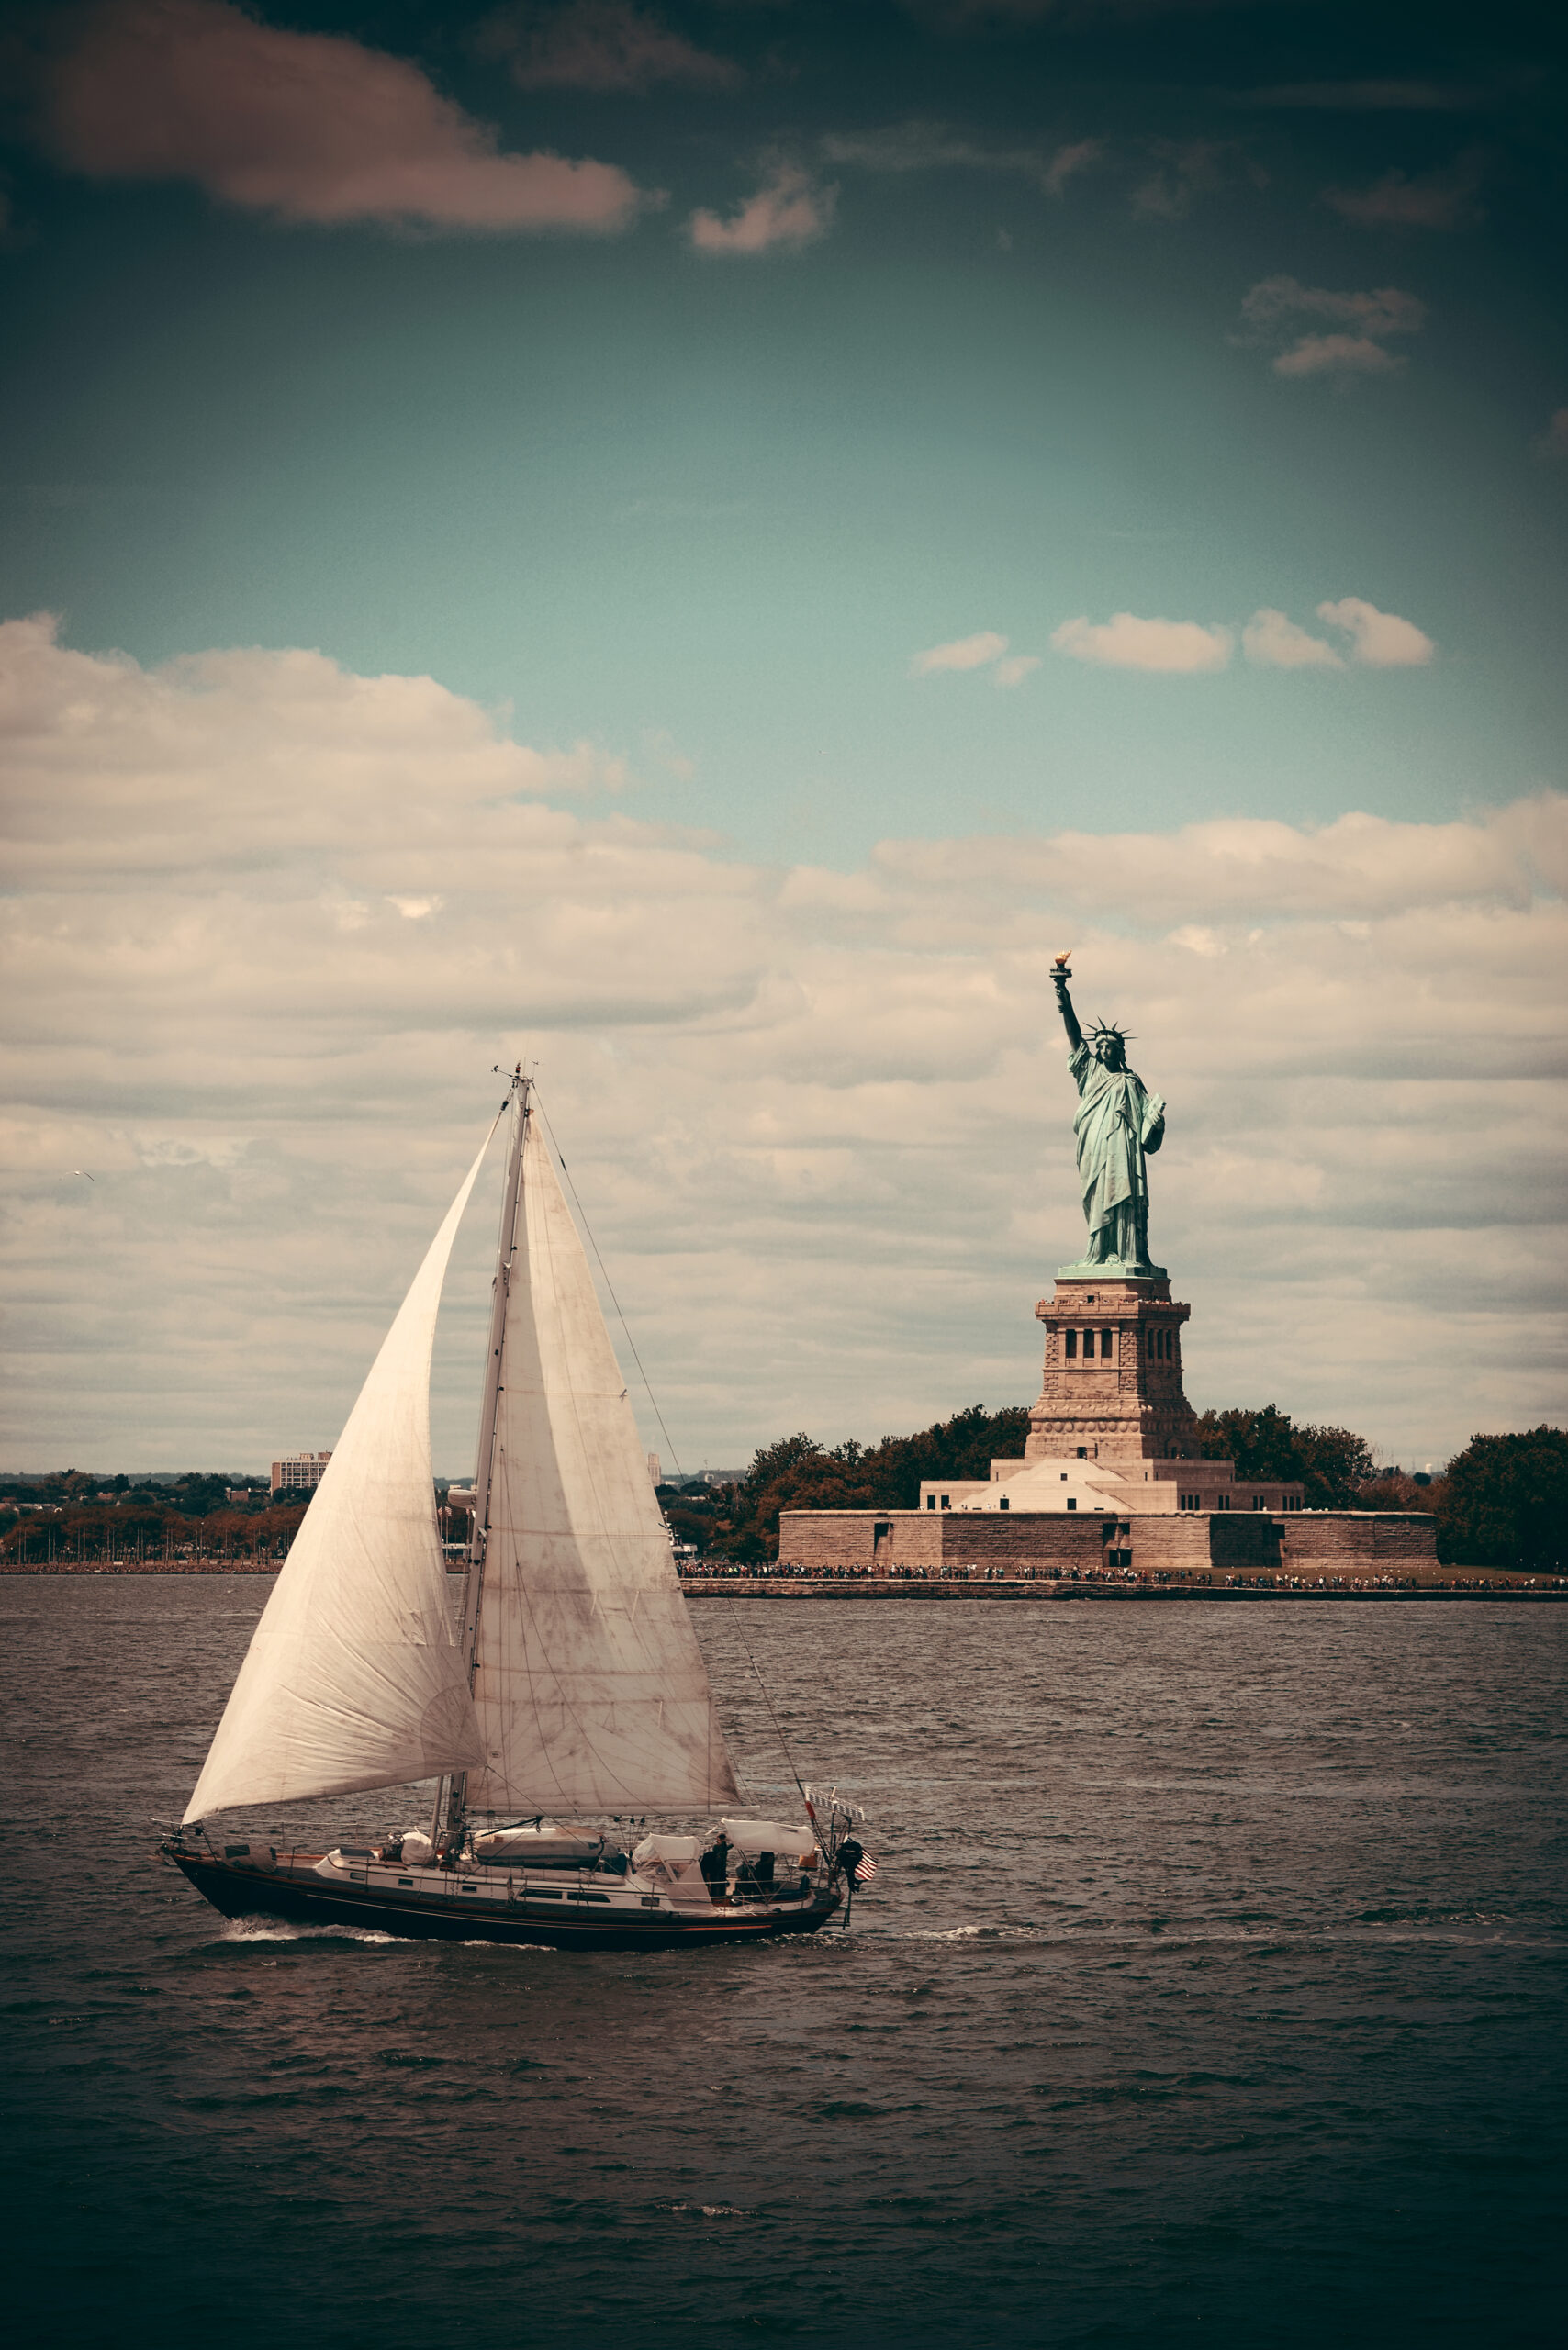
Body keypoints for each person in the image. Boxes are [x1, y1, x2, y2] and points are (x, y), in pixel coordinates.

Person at [1051, 966, 1165, 1270]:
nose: (1103, 1049)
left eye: (1109, 1046)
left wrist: (1156, 1121)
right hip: (1095, 1146)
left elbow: (1146, 1126)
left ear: (1120, 1051)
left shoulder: (1130, 1081)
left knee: (1125, 1199)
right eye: (1099, 1045)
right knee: (1097, 1198)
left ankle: (1128, 1254)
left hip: (1124, 1152)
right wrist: (1064, 997)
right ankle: (1098, 1252)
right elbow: (1075, 1037)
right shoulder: (1089, 1071)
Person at [700, 1832, 732, 1896]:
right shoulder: (718, 1846)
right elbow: (721, 1851)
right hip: (718, 1866)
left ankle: (719, 1894)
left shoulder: (720, 1846)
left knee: (720, 1880)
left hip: (720, 1866)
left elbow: (725, 1848)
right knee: (718, 1880)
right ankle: (717, 1894)